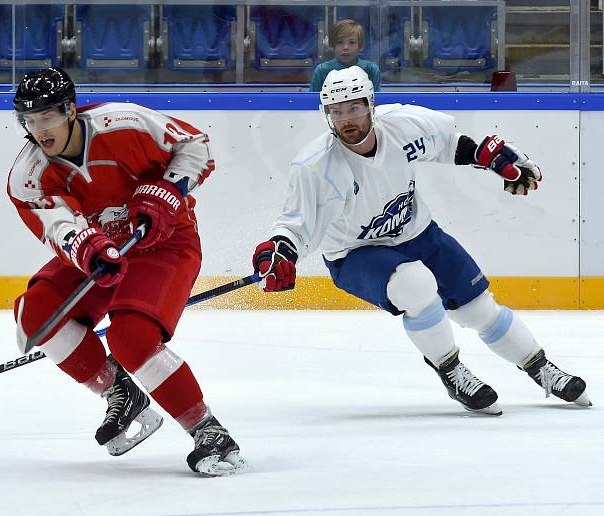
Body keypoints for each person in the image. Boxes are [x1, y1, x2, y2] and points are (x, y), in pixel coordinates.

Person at [252, 66, 591, 415]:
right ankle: (450, 368)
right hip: (355, 254)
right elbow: (296, 224)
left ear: (371, 104)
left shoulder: (402, 124)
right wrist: (279, 252)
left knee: (479, 310)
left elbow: (448, 144)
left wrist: (487, 157)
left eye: (353, 108)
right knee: (415, 285)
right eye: (336, 111)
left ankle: (540, 367)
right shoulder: (315, 167)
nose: (346, 119)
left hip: (419, 233)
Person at [8, 67, 246, 476]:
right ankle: (119, 392)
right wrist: (87, 248)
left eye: (46, 116)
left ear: (69, 110)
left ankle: (209, 431)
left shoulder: (125, 121)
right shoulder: (27, 177)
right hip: (105, 254)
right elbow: (58, 227)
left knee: (130, 337)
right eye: (29, 120)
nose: (39, 129)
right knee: (36, 312)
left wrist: (167, 190)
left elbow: (195, 147)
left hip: (164, 245)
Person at [310, 19, 381, 93]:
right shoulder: (322, 70)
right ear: (332, 45)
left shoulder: (371, 69)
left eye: (352, 42)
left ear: (361, 46)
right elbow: (312, 101)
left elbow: (376, 101)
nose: (345, 47)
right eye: (340, 42)